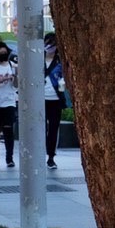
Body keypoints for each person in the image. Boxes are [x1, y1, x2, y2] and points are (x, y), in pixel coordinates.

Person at [44, 33, 66, 169]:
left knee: (53, 128)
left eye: (52, 44)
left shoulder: (60, 61)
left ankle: (51, 156)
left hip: (56, 99)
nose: (49, 47)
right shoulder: (37, 59)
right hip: (40, 99)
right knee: (41, 128)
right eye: (47, 43)